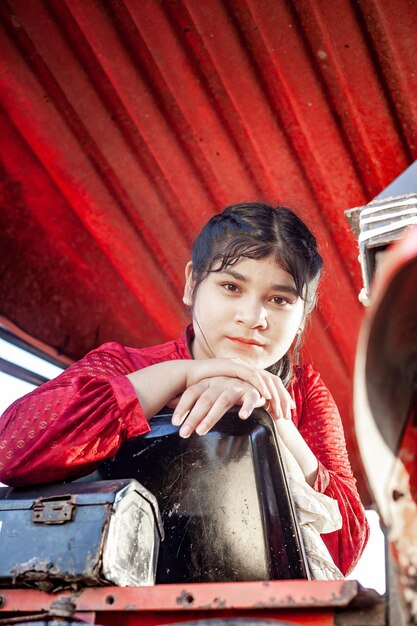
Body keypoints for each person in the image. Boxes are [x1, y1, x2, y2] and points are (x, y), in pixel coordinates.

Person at [0, 202, 368, 575]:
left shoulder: (304, 394)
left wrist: (274, 422)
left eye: (279, 300)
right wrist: (182, 375)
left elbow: (345, 549)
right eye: (231, 286)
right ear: (192, 283)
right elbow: (11, 449)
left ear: (302, 316)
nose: (253, 318)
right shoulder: (125, 367)